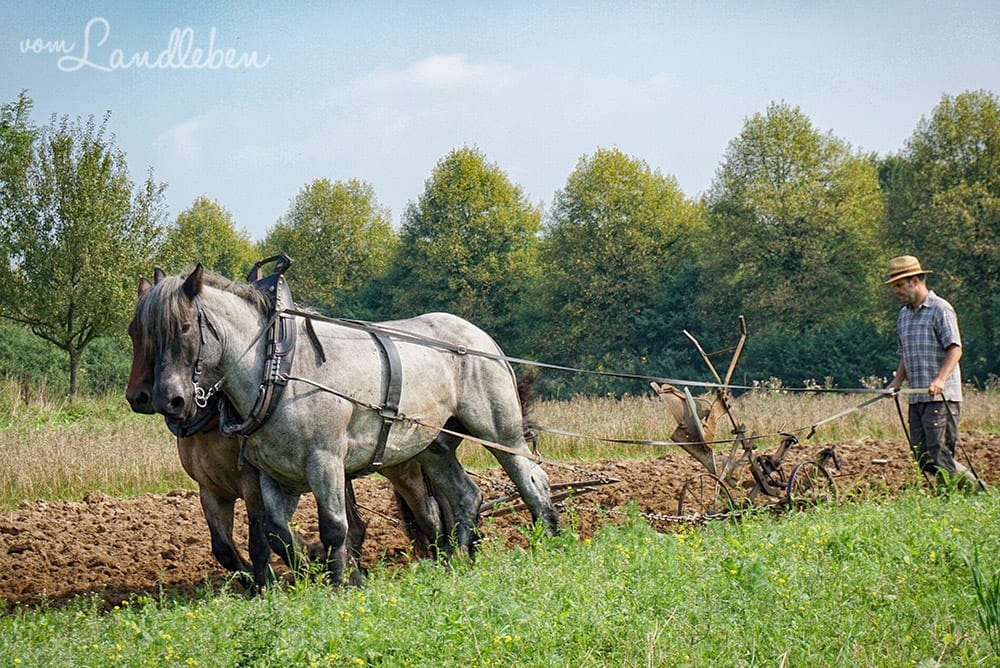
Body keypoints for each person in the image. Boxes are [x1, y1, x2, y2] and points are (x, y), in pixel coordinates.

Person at [884, 255, 979, 490]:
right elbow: (905, 354)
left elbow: (955, 349)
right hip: (917, 397)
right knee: (921, 456)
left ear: (915, 280)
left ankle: (967, 493)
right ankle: (967, 490)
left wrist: (940, 379)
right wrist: (896, 381)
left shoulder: (941, 309)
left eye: (898, 285)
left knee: (939, 453)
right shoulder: (903, 315)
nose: (895, 291)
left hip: (941, 397)